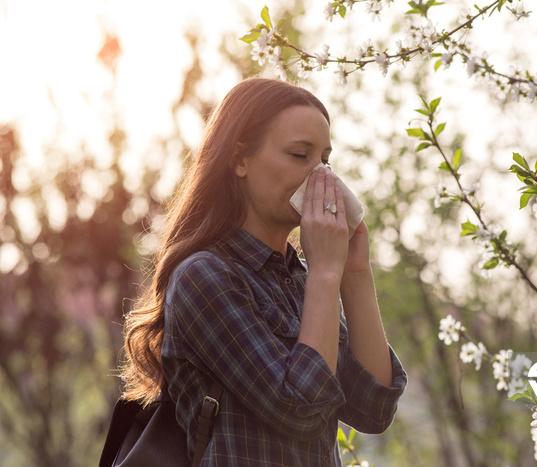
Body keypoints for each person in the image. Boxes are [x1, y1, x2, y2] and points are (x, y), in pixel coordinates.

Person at [119, 77, 407, 466]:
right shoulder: (204, 277)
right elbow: (299, 408)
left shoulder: (304, 279)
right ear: (240, 159)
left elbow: (374, 408)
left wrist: (354, 275)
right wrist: (325, 274)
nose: (321, 177)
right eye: (299, 155)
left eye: (324, 160)